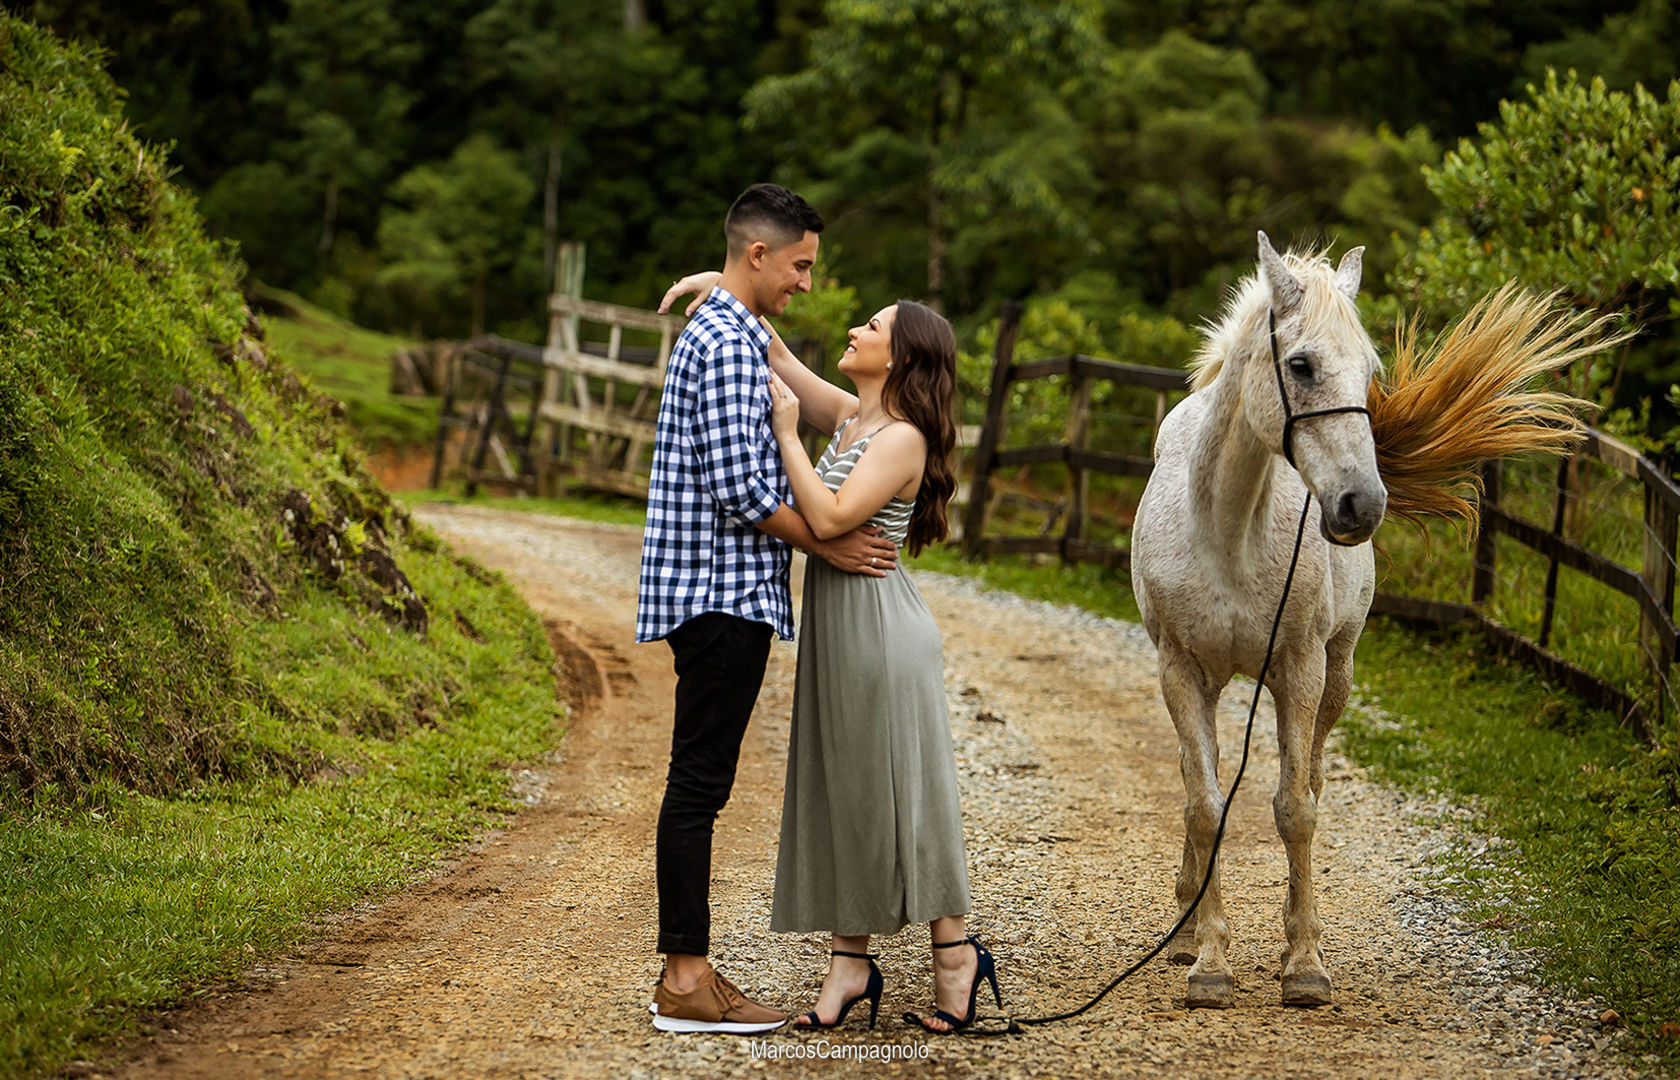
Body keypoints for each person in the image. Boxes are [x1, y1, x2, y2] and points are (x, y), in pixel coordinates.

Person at [659, 273, 999, 1035]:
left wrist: (783, 435)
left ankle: (955, 953)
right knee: (848, 786)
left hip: (882, 632)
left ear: (902, 357)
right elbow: (777, 353)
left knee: (903, 789)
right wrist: (729, 283)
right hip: (842, 631)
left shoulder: (902, 438)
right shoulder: (851, 418)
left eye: (871, 327)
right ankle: (850, 963)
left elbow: (827, 513)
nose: (853, 329)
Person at [635, 184, 899, 1036]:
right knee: (699, 784)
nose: (809, 283)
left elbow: (806, 415)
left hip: (728, 593)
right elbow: (741, 487)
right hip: (718, 597)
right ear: (758, 255)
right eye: (800, 265)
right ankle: (685, 979)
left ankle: (689, 970)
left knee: (700, 782)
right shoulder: (721, 342)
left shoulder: (736, 333)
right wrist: (829, 544)